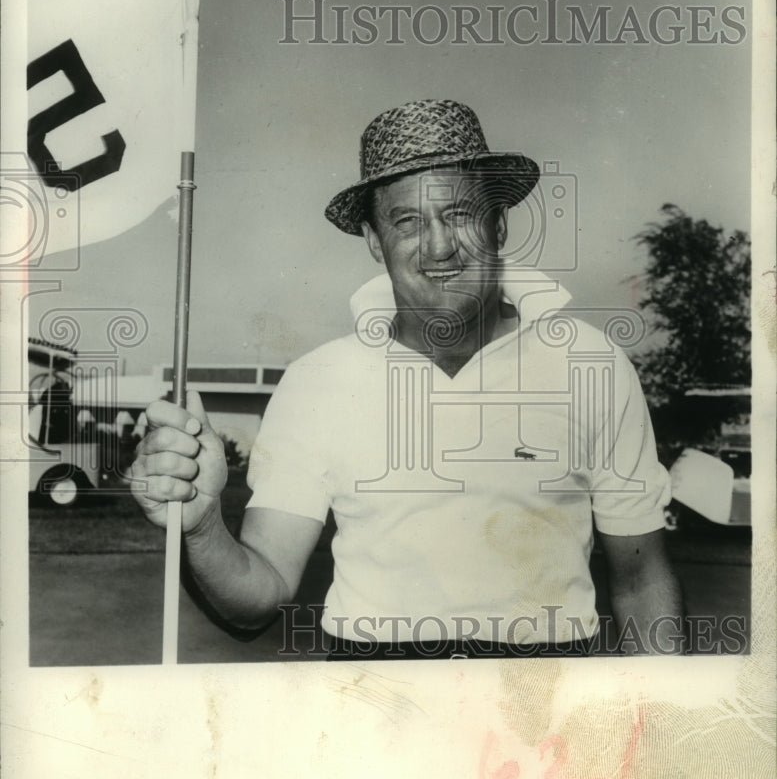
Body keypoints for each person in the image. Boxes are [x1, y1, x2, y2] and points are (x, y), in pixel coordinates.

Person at [131, 99, 684, 659]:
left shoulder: (592, 364)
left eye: (460, 214)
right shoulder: (317, 381)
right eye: (408, 221)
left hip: (544, 706)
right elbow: (257, 597)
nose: (440, 245)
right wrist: (200, 525)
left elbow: (641, 583)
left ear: (499, 221)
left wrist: (664, 726)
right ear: (375, 241)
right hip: (373, 707)